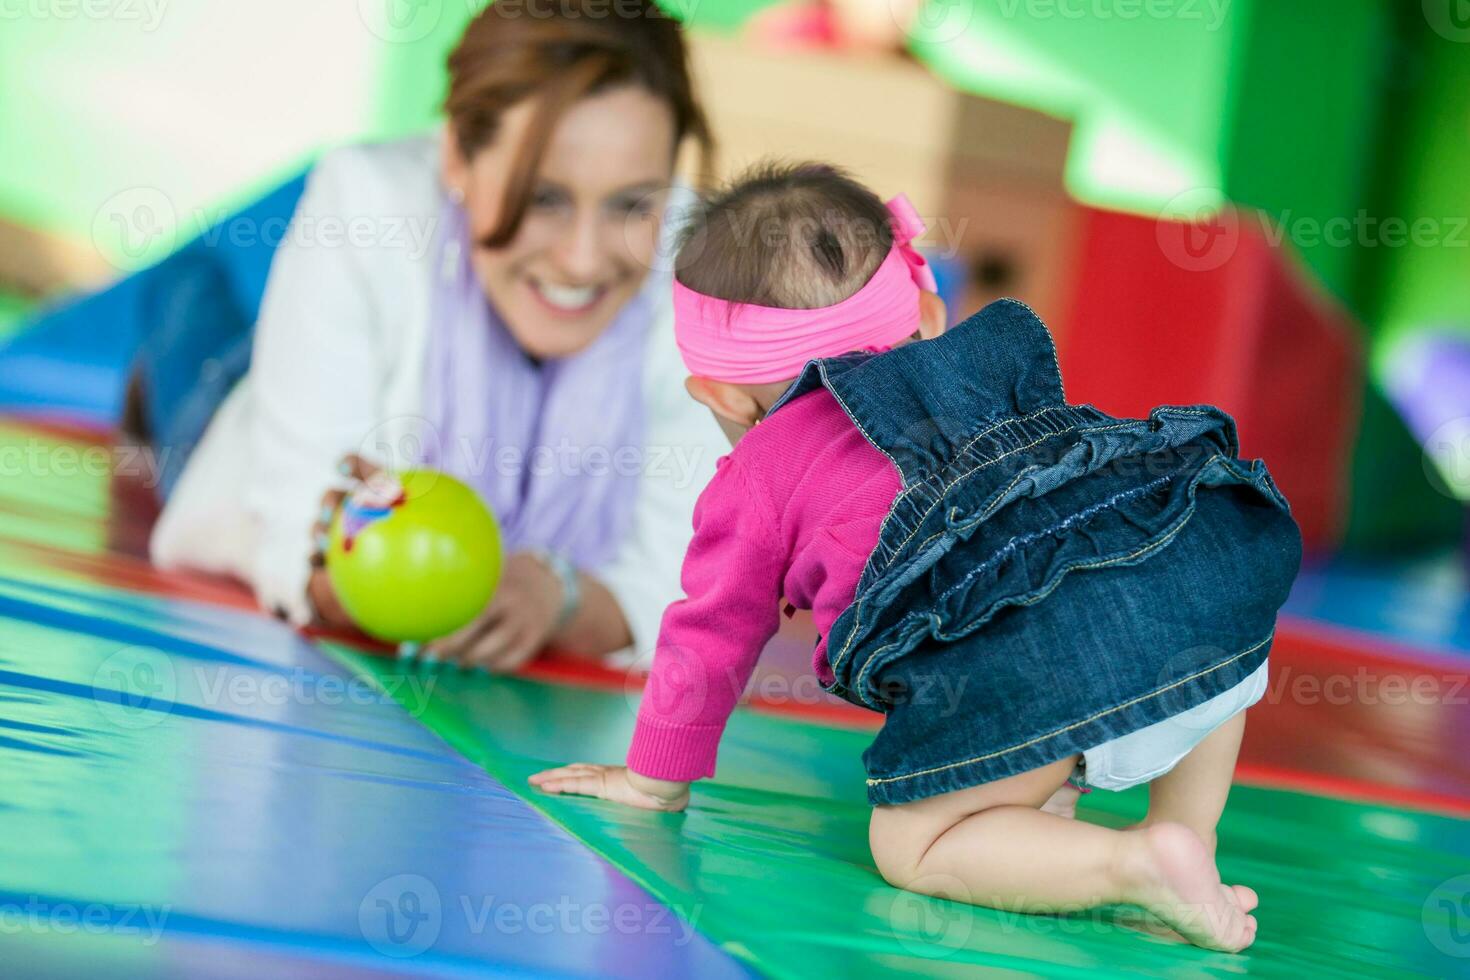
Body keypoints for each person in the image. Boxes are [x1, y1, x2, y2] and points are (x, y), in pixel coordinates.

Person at [530, 162, 1302, 952]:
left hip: (1040, 661)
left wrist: (651, 782)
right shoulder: (992, 364)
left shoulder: (759, 474)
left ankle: (1133, 861)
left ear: (721, 397)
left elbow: (711, 635)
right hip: (1205, 557)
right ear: (929, 310)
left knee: (912, 844)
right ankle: (1188, 835)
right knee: (1179, 626)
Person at [146, 1, 728, 670]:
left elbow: (686, 586)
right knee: (201, 372)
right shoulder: (365, 201)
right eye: (543, 198)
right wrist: (340, 569)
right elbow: (296, 516)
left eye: (633, 204)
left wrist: (555, 595)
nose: (585, 259)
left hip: (380, 362)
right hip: (246, 425)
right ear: (455, 155)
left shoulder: (699, 268)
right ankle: (182, 295)